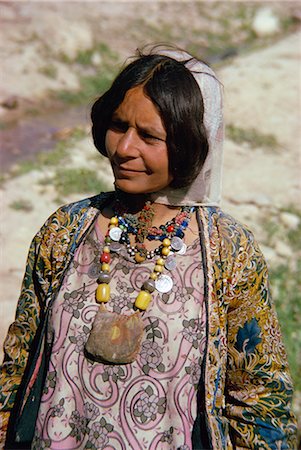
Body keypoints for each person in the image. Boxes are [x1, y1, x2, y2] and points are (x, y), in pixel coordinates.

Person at [0, 45, 297, 450]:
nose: (124, 149)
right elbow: (17, 369)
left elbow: (261, 400)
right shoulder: (66, 230)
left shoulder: (229, 251)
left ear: (192, 143)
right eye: (119, 126)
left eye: (149, 136)